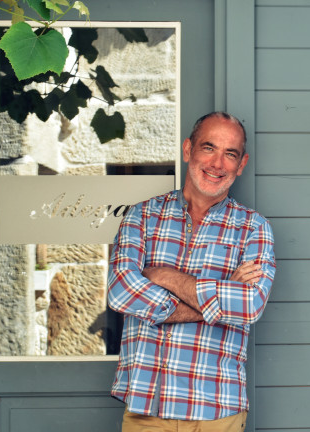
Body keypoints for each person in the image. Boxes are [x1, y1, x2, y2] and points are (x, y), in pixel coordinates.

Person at [107, 112, 275, 431]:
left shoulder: (254, 228)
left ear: (241, 164)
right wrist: (217, 300)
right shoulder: (142, 217)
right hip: (148, 408)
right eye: (209, 148)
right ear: (188, 150)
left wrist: (165, 277)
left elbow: (249, 306)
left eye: (231, 154)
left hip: (218, 408)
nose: (217, 163)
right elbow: (121, 292)